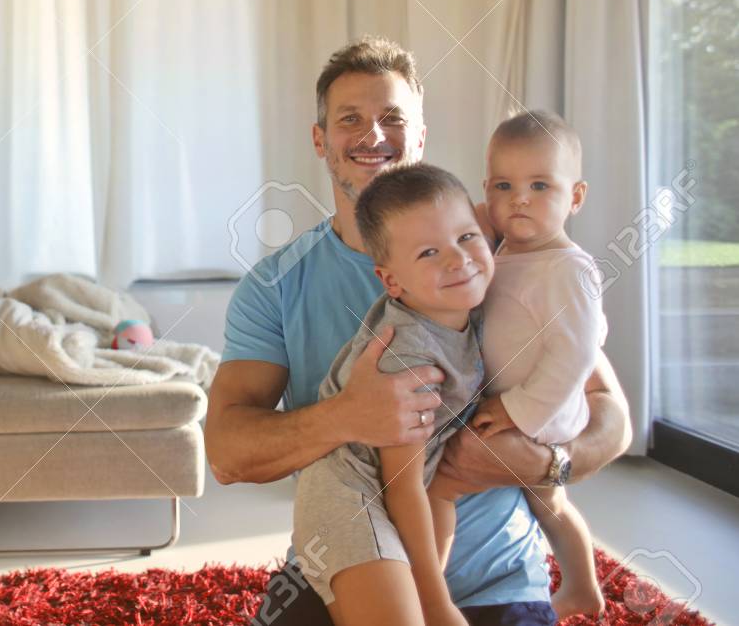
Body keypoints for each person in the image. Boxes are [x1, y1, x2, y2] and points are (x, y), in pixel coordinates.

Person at [204, 37, 632, 625]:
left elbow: (609, 411)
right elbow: (226, 454)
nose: (372, 136)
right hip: (346, 564)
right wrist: (347, 415)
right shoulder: (277, 286)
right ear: (320, 139)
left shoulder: (500, 252)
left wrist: (543, 463)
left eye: (393, 119)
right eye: (350, 119)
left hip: (496, 579)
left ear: (421, 135)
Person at [292, 164, 493, 626]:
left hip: (407, 492)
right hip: (349, 497)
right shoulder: (408, 358)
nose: (458, 259)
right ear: (392, 282)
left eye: (467, 237)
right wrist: (438, 603)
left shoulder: (463, 312)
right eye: (428, 252)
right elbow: (400, 487)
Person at [431, 110, 608, 619]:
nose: (520, 199)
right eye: (505, 186)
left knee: (447, 484)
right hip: (512, 400)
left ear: (575, 197)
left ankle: (433, 589)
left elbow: (575, 354)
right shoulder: (504, 254)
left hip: (541, 412)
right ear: (486, 192)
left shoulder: (568, 267)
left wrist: (516, 409)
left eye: (540, 185)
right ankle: (581, 587)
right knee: (547, 505)